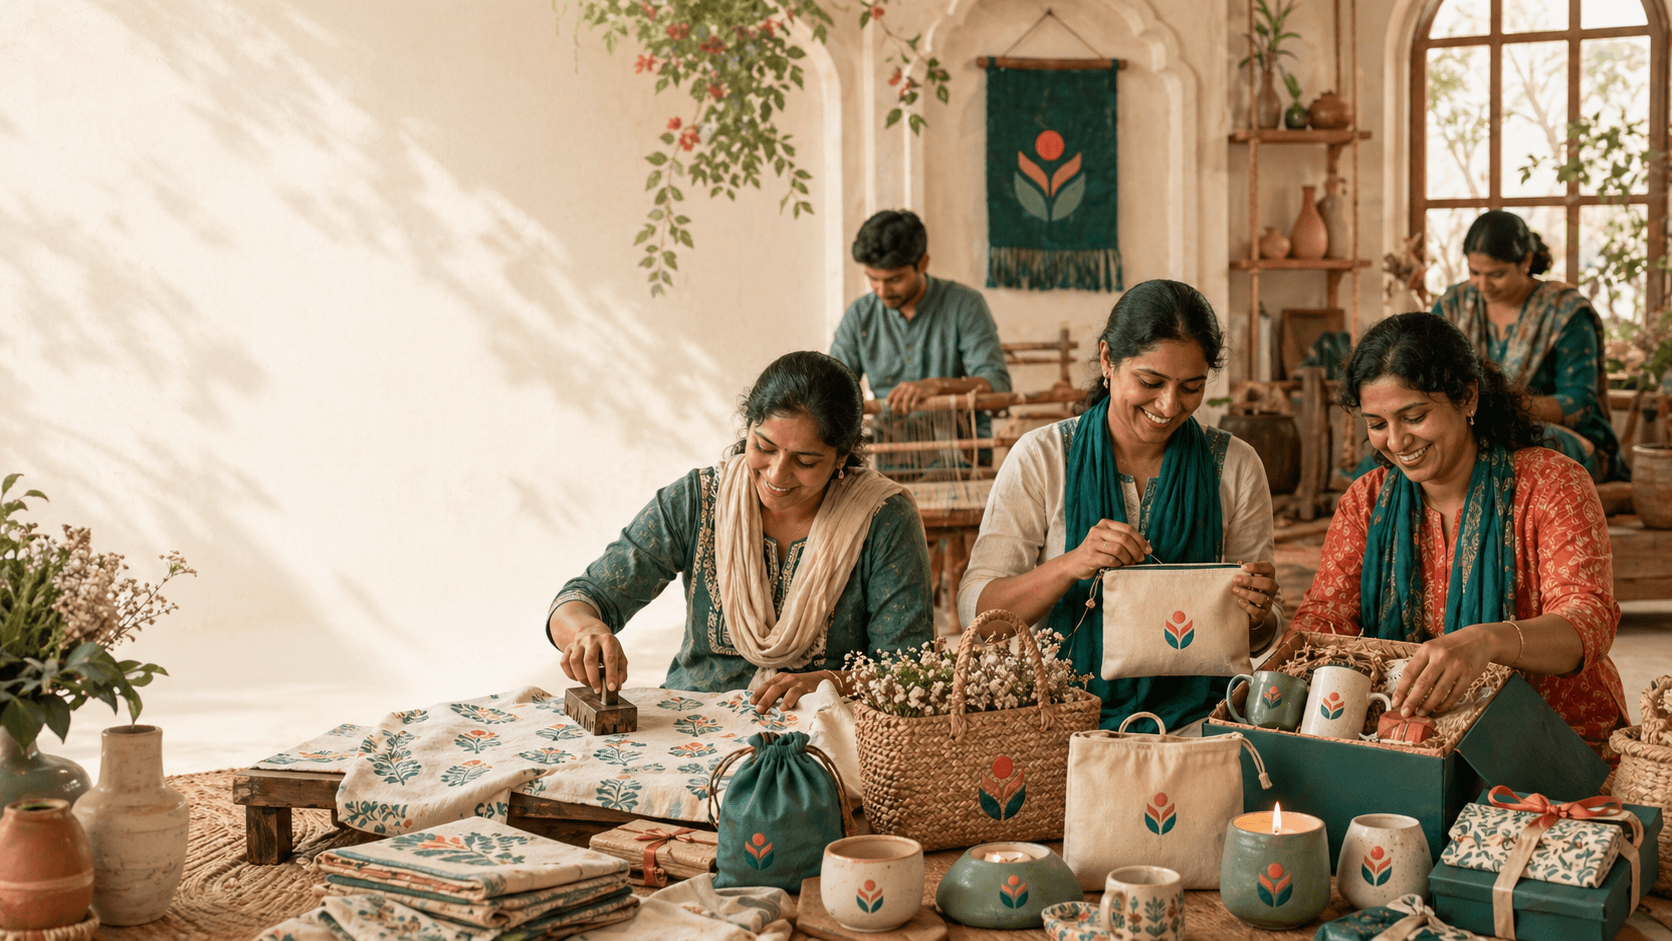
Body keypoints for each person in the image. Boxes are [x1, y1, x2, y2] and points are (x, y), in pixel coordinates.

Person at [1290, 312, 1627, 753]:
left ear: (1468, 398)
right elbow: (1324, 619)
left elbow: (1589, 620)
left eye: (1414, 416)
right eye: (1376, 424)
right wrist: (1272, 647)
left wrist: (1487, 641)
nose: (1396, 442)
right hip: (1411, 743)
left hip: (1556, 740)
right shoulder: (1366, 502)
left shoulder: (1550, 484)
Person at [957, 280, 1284, 732]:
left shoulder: (1235, 466)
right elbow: (978, 615)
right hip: (1062, 719)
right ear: (1108, 360)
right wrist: (1073, 564)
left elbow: (1263, 634)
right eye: (1151, 382)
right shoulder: (1043, 458)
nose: (1169, 406)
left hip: (1200, 724)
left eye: (1191, 386)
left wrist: (1260, 612)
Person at [546, 351, 935, 710]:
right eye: (764, 447)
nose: (777, 474)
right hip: (695, 727)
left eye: (805, 460)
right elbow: (579, 599)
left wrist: (831, 682)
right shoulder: (699, 501)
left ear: (843, 456)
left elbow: (910, 670)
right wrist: (587, 631)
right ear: (748, 427)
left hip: (821, 731)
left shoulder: (883, 518)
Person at [1433, 210, 1624, 482]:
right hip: (1470, 426)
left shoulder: (1565, 311)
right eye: (1474, 272)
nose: (1482, 285)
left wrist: (1500, 409)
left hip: (1552, 433)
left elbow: (1580, 404)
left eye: (1496, 274)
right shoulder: (1452, 306)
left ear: (1526, 260)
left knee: (1511, 453)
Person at [829, 210, 1012, 426]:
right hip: (887, 450)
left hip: (963, 452)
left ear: (923, 263)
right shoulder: (859, 314)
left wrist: (939, 385)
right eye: (873, 278)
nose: (882, 290)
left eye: (894, 279)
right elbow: (832, 388)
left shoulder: (965, 304)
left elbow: (998, 386)